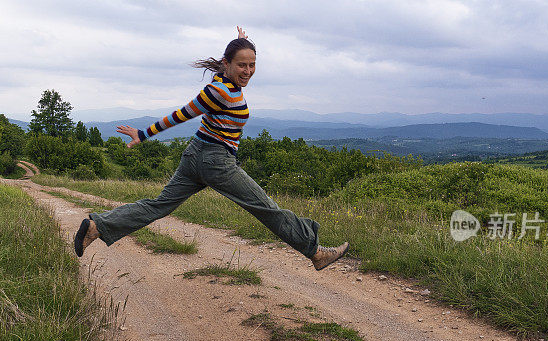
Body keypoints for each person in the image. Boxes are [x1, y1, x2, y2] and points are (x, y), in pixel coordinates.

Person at [74, 26, 348, 271]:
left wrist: (241, 41)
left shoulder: (224, 80)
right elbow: (184, 113)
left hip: (196, 154)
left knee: (158, 205)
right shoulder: (219, 91)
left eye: (252, 65)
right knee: (266, 208)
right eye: (242, 65)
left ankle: (98, 226)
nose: (248, 71)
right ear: (227, 64)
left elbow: (228, 68)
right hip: (215, 161)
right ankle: (315, 252)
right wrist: (144, 133)